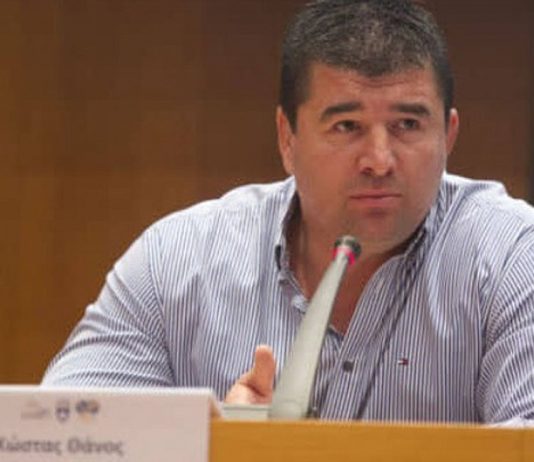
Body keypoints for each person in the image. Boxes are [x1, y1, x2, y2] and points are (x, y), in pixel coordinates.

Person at [42, 0, 534, 424]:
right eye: (346, 126)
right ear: (287, 138)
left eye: (407, 124)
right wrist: (216, 444)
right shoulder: (177, 261)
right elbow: (60, 439)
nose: (379, 161)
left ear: (448, 136)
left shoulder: (512, 259)